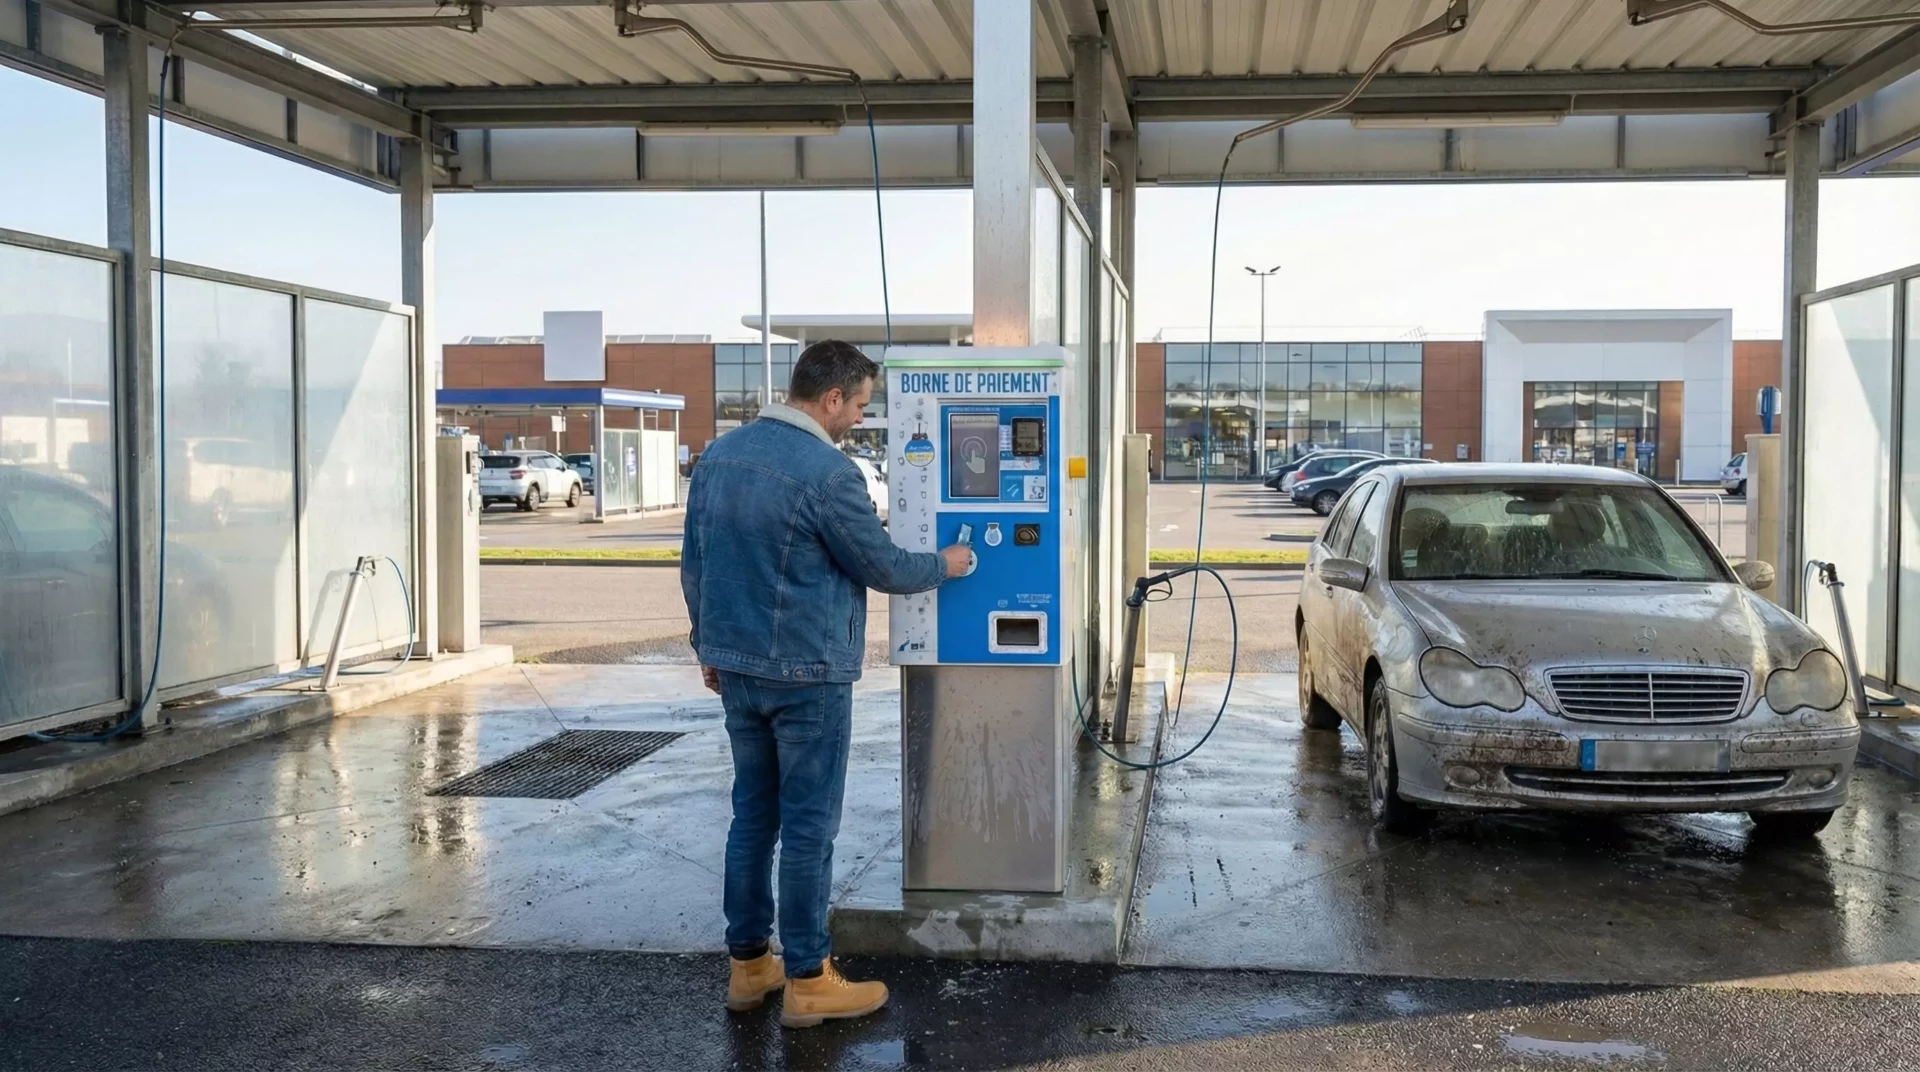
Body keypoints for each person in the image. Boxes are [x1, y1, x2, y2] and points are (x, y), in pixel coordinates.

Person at [681, 339, 970, 1029]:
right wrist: (947, 563)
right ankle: (809, 979)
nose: (861, 418)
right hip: (807, 674)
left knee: (753, 818)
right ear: (831, 397)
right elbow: (883, 565)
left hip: (737, 671)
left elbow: (696, 564)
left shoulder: (719, 456)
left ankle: (749, 967)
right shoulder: (829, 472)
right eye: (860, 405)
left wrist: (708, 646)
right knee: (809, 827)